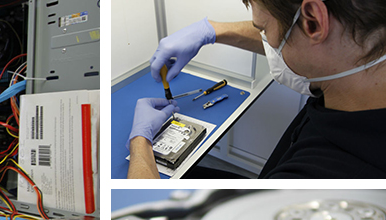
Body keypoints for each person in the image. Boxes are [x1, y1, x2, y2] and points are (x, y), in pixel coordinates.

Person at [127, 0, 386, 179]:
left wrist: (140, 140)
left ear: (314, 22)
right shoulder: (355, 74)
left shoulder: (323, 172)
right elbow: (313, 45)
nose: (266, 40)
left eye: (262, 28)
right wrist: (213, 30)